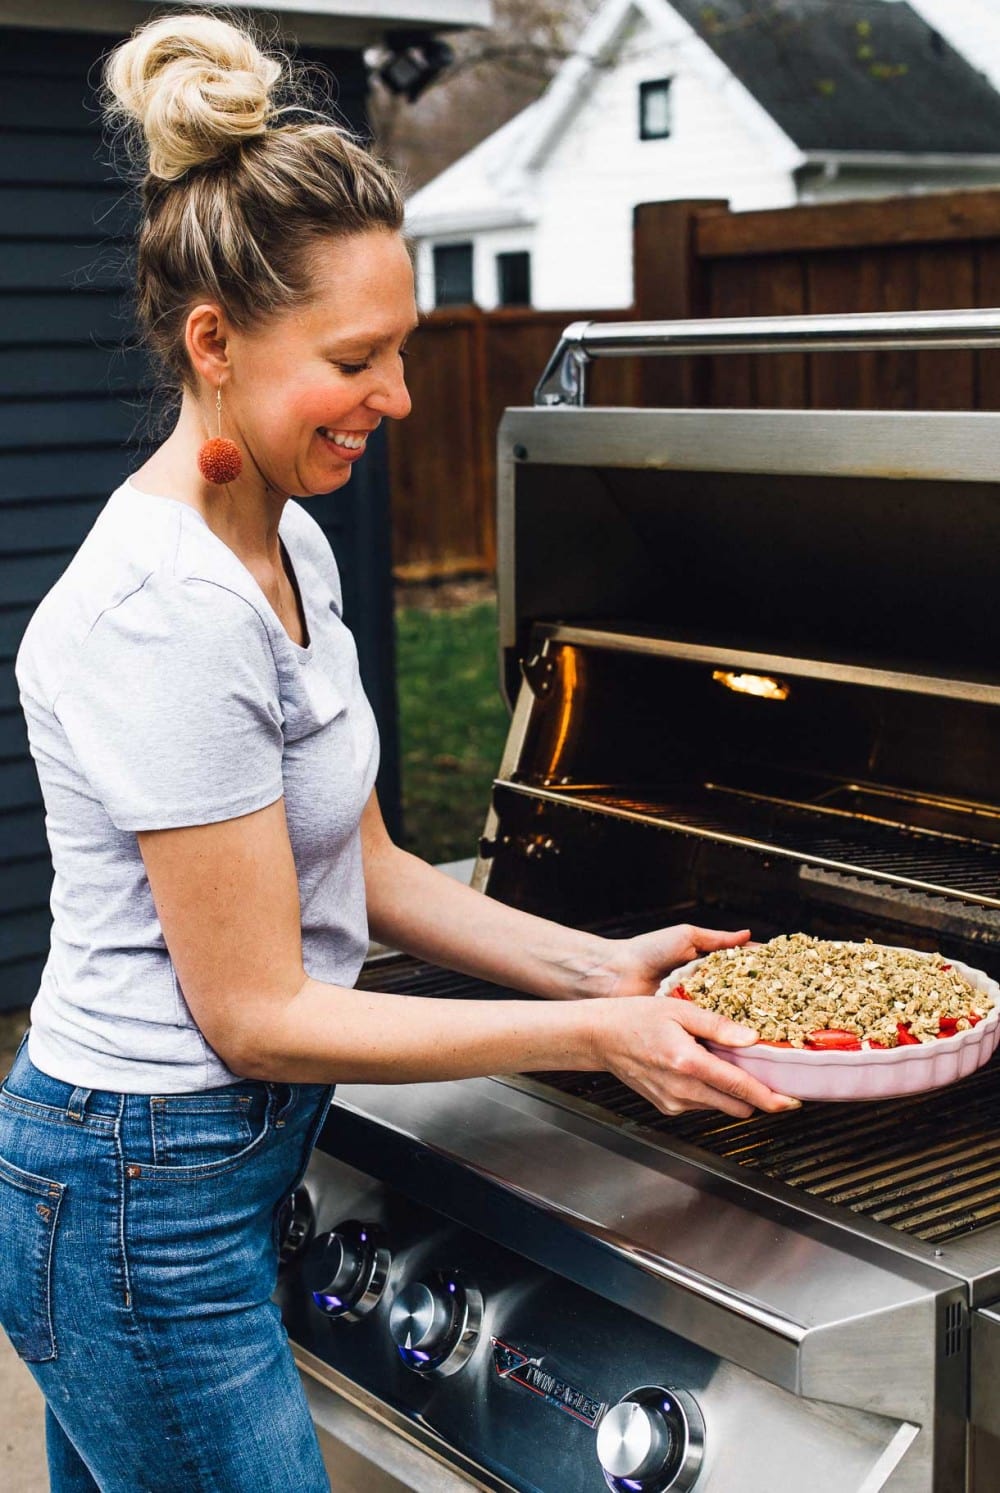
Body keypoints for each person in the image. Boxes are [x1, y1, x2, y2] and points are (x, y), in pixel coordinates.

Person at [0, 12, 799, 1491]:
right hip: (132, 1192)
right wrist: (593, 1040)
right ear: (214, 343)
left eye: (405, 350)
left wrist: (594, 962)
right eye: (357, 358)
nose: (403, 397)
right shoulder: (164, 612)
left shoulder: (286, 542)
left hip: (198, 1169)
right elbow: (258, 1014)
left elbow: (363, 867)